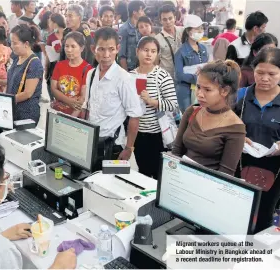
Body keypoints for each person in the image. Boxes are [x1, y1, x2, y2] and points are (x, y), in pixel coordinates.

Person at [234, 48, 280, 232]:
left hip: (274, 168)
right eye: (260, 72)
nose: (265, 78)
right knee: (238, 208)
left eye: (272, 74)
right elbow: (228, 124)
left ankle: (257, 255)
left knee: (265, 212)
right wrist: (239, 136)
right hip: (243, 163)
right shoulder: (242, 96)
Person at [81, 27, 144, 162]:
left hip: (113, 145)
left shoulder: (124, 78)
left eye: (111, 49)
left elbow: (134, 116)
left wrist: (128, 148)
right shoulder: (91, 74)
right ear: (93, 49)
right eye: (101, 49)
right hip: (91, 141)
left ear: (118, 48)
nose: (106, 55)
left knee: (110, 180)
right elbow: (86, 106)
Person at [172, 60, 245, 175]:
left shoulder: (235, 128)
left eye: (207, 90)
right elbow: (176, 151)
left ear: (225, 91)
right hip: (180, 178)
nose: (199, 94)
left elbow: (225, 174)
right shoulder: (192, 111)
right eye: (198, 87)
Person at [131, 37, 179, 179]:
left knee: (159, 174)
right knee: (143, 172)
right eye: (145, 50)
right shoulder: (130, 75)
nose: (149, 54)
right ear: (137, 51)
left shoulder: (162, 76)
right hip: (138, 133)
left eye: (153, 51)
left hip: (158, 134)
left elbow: (173, 104)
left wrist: (152, 101)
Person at [0, 25, 44, 123]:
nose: (11, 46)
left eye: (15, 43)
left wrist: (5, 100)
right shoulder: (17, 57)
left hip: (26, 114)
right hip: (13, 110)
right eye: (11, 43)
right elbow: (13, 80)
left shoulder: (34, 63)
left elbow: (27, 93)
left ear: (26, 44)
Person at [50, 32, 93, 118]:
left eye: (73, 46)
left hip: (76, 116)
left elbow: (82, 99)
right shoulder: (59, 65)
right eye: (66, 46)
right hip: (57, 113)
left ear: (82, 48)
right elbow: (53, 89)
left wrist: (70, 120)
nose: (69, 50)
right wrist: (69, 101)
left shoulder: (88, 69)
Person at [174, 14, 209, 113]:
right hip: (185, 89)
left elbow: (207, 67)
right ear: (189, 31)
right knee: (187, 116)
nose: (200, 31)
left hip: (201, 88)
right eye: (197, 29)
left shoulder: (203, 48)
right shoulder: (180, 52)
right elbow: (179, 75)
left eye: (201, 28)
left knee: (201, 114)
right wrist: (196, 78)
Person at [155, 4, 184, 81]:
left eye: (170, 18)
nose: (168, 22)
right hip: (167, 78)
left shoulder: (183, 31)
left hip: (184, 76)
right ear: (160, 21)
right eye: (164, 19)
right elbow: (155, 63)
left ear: (175, 18)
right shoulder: (157, 39)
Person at [118, 0, 147, 71]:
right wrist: (126, 73)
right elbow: (121, 55)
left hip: (142, 68)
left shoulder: (142, 27)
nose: (144, 13)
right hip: (130, 69)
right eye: (141, 10)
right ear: (134, 12)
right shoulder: (124, 29)